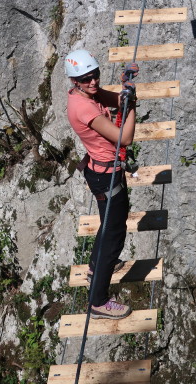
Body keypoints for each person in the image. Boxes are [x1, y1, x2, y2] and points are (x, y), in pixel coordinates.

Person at [65, 49, 138, 319]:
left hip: (102, 173)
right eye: (86, 79)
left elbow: (117, 99)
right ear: (75, 82)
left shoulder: (86, 94)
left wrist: (127, 91)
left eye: (94, 75)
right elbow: (125, 138)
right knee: (113, 236)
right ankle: (97, 302)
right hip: (106, 176)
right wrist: (132, 105)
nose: (93, 82)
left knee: (108, 228)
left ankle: (96, 267)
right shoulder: (83, 106)